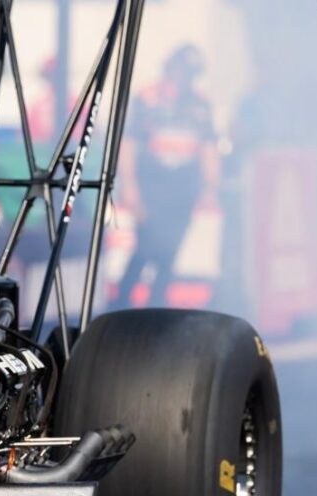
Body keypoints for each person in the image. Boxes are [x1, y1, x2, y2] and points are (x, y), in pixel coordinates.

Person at [114, 44, 220, 309]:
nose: (186, 77)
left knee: (169, 253)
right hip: (152, 186)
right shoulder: (148, 98)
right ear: (171, 68)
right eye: (183, 70)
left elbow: (208, 147)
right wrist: (130, 186)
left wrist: (210, 188)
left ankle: (156, 308)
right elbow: (130, 144)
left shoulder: (200, 104)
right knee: (145, 248)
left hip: (183, 189)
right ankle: (119, 306)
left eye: (192, 73)